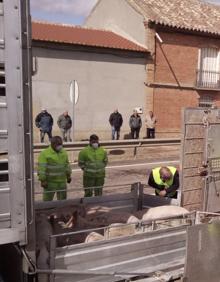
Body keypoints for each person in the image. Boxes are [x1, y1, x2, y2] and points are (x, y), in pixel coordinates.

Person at [37, 136, 72, 201]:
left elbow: (67, 165)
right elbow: (41, 168)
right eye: (58, 144)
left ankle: (61, 211)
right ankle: (47, 211)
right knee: (47, 201)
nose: (60, 146)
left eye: (61, 144)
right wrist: (43, 180)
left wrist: (68, 175)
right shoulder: (44, 154)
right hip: (50, 183)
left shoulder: (64, 152)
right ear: (52, 144)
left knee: (63, 202)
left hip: (62, 182)